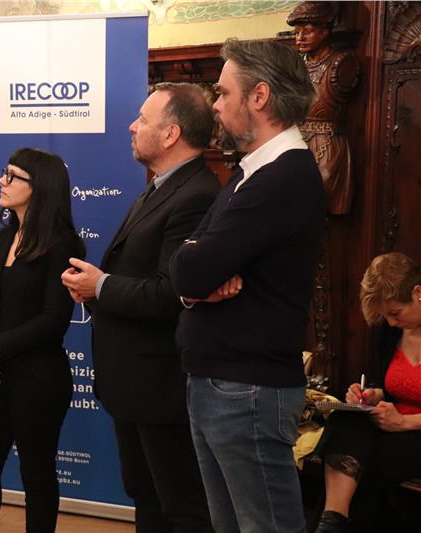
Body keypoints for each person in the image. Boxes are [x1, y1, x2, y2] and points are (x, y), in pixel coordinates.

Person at [169, 38, 324, 533]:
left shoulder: (283, 177)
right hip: (225, 383)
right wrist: (194, 280)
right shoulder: (249, 172)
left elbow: (190, 269)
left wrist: (194, 277)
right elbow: (183, 266)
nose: (215, 105)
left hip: (248, 389)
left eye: (223, 93)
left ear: (259, 96)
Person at [60, 83, 218, 533]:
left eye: (143, 120)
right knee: (146, 496)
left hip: (161, 384)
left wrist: (101, 285)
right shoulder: (163, 187)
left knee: (180, 508)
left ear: (170, 134)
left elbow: (172, 293)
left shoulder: (196, 195)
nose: (132, 126)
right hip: (136, 381)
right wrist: (97, 290)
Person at [0, 148, 85, 533]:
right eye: (5, 172)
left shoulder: (63, 244)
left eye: (12, 176)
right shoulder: (0, 239)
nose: (2, 181)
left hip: (39, 379)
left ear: (39, 187)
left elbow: (54, 320)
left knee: (37, 475)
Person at [314, 253, 421, 533]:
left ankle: (332, 524)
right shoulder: (391, 332)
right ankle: (333, 519)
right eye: (386, 316)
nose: (391, 322)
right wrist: (372, 394)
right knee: (344, 420)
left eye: (395, 312)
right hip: (390, 424)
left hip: (415, 429)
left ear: (418, 293)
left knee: (364, 461)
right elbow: (387, 383)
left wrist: (404, 422)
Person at [287, 1, 359, 215]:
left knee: (318, 206)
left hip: (326, 144)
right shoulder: (298, 65)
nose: (300, 38)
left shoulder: (341, 63)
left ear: (325, 31)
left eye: (307, 31)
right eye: (297, 32)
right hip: (298, 140)